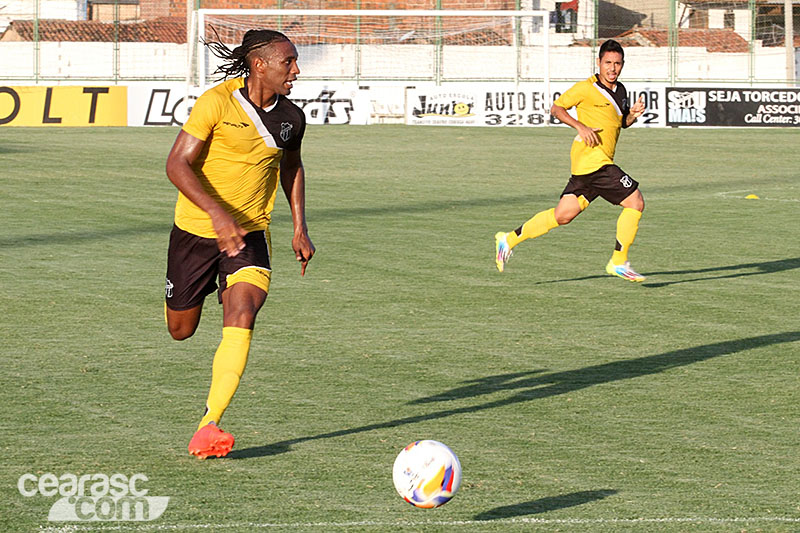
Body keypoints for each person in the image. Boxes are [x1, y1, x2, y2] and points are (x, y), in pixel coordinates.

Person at [164, 29, 315, 459]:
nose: (296, 70)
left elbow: (292, 166)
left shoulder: (291, 118)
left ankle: (209, 423)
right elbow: (177, 164)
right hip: (194, 232)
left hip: (249, 234)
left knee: (243, 311)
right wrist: (216, 215)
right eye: (289, 62)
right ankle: (201, 290)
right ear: (259, 64)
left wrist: (300, 227)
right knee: (181, 330)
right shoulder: (217, 102)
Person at [494, 39, 647, 281]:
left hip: (590, 166)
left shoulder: (622, 91)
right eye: (607, 62)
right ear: (598, 63)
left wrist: (632, 115)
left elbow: (621, 124)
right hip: (594, 161)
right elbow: (556, 108)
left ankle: (508, 239)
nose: (612, 68)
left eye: (617, 63)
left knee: (563, 215)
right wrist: (580, 125)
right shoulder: (586, 88)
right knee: (635, 202)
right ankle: (619, 261)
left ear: (622, 65)